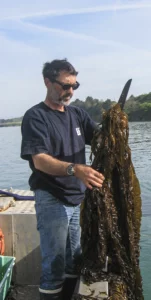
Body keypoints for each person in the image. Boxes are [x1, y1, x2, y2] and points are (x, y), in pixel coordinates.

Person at [20, 59, 105, 300]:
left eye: (74, 86)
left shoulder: (77, 114)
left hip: (77, 199)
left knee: (74, 260)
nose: (70, 91)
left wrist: (115, 125)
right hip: (52, 198)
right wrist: (75, 169)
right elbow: (40, 160)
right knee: (54, 264)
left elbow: (100, 136)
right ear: (47, 82)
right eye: (65, 86)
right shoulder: (36, 117)